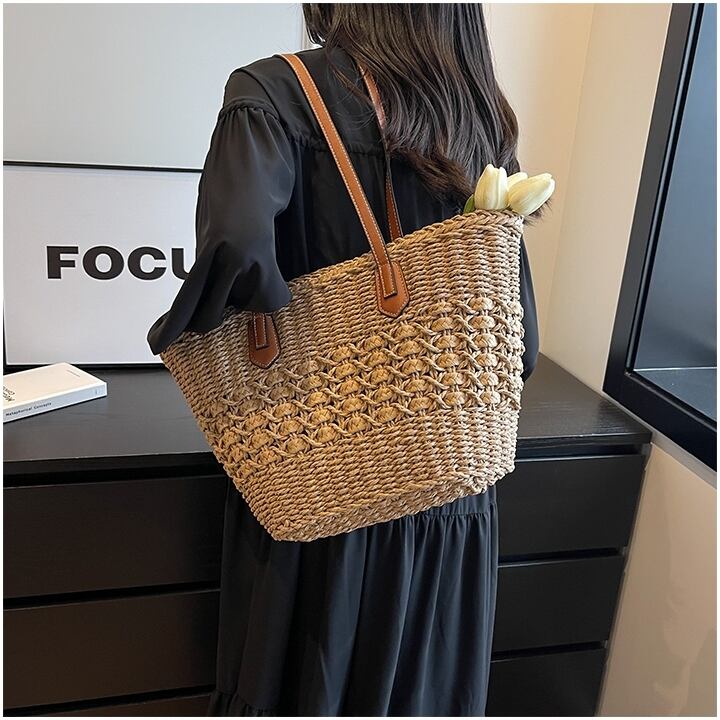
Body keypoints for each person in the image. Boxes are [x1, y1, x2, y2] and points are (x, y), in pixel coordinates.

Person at [147, 4, 539, 716]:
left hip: (318, 485)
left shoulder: (271, 92)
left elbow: (235, 248)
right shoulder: (478, 118)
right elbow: (523, 339)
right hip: (451, 490)